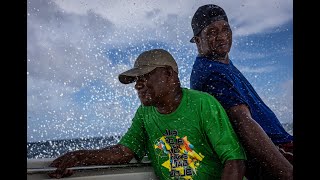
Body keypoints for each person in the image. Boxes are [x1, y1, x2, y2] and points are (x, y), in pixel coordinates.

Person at [48, 49, 246, 179]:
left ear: (169, 74)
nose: (138, 85)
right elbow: (124, 152)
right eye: (136, 80)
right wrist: (79, 156)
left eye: (145, 76)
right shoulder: (145, 113)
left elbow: (234, 161)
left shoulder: (203, 104)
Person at [189, 4, 293, 180]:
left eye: (226, 30)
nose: (222, 37)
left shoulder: (219, 62)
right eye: (212, 32)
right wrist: (287, 172)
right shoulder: (211, 72)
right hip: (277, 152)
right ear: (198, 40)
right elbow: (242, 121)